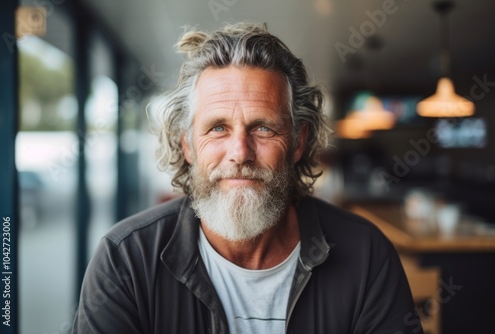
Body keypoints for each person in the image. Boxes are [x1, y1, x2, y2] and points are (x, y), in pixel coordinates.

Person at [72, 23, 423, 334]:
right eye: (218, 128)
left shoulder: (366, 255)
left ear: (298, 142)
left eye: (263, 127)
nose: (240, 152)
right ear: (188, 146)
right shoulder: (126, 261)